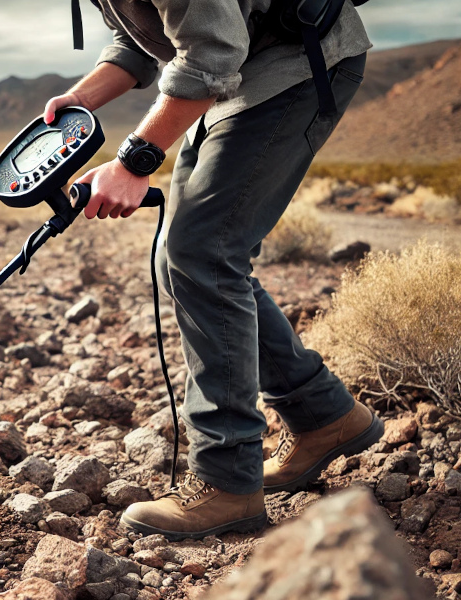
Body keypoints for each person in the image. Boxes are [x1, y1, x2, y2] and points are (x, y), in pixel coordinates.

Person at [43, 0, 384, 540]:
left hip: (294, 65)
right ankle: (324, 417)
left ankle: (228, 483)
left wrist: (133, 162)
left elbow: (212, 51)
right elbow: (142, 38)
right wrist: (82, 99)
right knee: (183, 258)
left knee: (205, 252)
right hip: (237, 72)